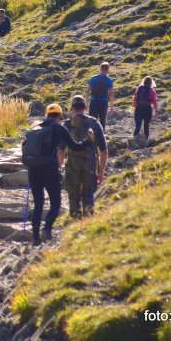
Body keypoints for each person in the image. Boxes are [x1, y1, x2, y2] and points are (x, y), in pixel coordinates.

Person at [28, 103, 91, 245]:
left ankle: (35, 237)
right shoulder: (59, 128)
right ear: (60, 116)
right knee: (55, 203)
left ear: (46, 115)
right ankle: (47, 228)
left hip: (34, 170)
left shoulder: (35, 128)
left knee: (38, 205)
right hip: (50, 170)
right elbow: (76, 147)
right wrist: (88, 140)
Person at [63, 95, 107, 219]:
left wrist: (59, 165)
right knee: (88, 195)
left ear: (72, 108)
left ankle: (74, 220)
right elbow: (103, 150)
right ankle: (88, 221)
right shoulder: (94, 123)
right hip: (90, 165)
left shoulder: (67, 125)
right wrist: (101, 172)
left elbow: (60, 150)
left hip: (72, 165)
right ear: (85, 107)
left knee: (73, 194)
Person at [86, 62, 114, 130]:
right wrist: (111, 107)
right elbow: (111, 94)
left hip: (94, 101)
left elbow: (87, 91)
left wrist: (86, 103)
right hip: (103, 102)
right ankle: (102, 136)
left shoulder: (93, 78)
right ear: (108, 70)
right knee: (102, 120)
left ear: (100, 69)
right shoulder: (109, 80)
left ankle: (91, 137)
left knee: (92, 120)